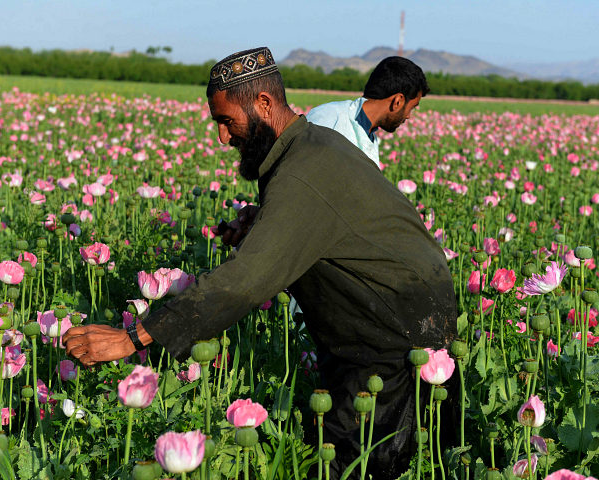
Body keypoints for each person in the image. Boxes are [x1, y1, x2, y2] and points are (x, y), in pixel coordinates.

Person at [63, 47, 456, 478]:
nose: (222, 137)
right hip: (384, 317)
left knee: (359, 463)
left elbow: (244, 282)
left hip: (396, 333)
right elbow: (329, 223)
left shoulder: (302, 171)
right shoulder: (308, 147)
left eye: (226, 120)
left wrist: (133, 338)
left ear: (264, 104)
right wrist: (263, 221)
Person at [306, 56, 428, 166]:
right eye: (411, 108)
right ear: (398, 101)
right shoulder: (329, 118)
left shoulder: (369, 136)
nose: (408, 116)